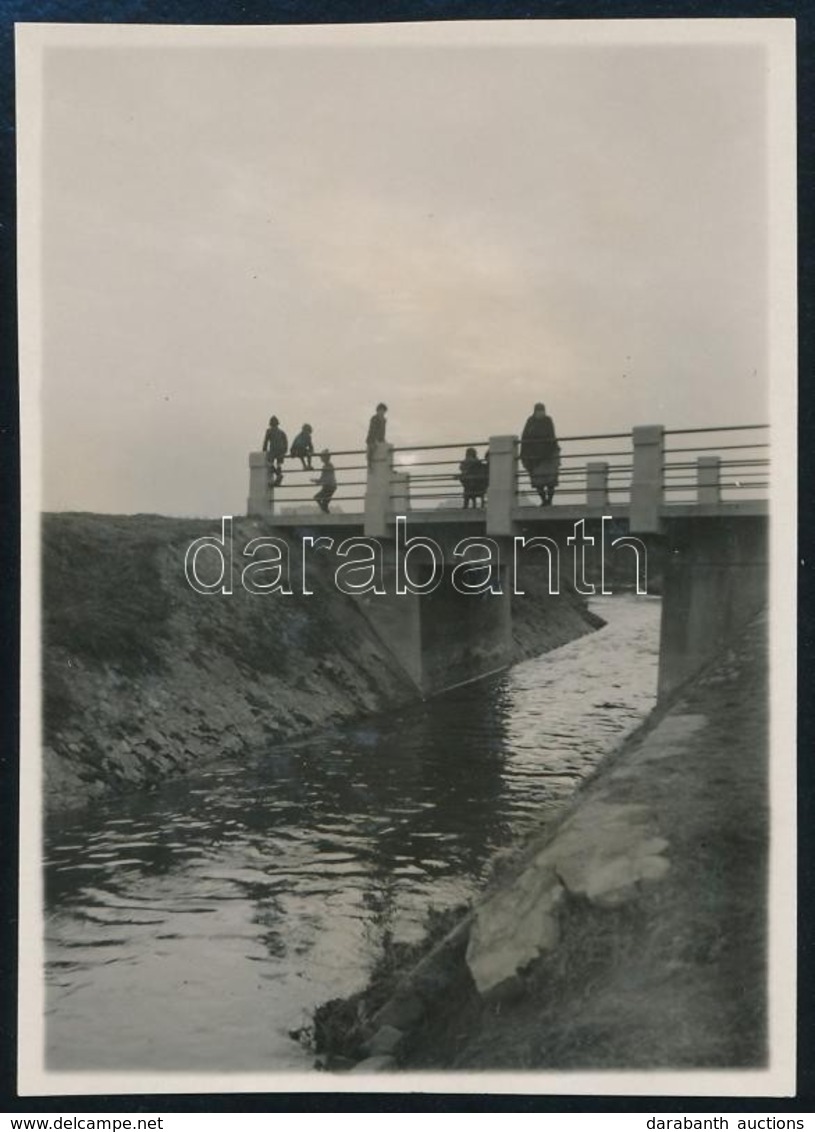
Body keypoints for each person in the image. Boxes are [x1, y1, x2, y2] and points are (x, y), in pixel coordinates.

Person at [520, 402, 560, 505]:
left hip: (548, 454)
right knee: (538, 481)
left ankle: (549, 500)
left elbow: (551, 435)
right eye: (539, 410)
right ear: (535, 411)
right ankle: (543, 500)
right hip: (534, 457)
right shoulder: (530, 421)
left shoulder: (548, 420)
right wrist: (524, 454)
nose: (541, 413)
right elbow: (525, 437)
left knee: (551, 480)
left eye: (542, 410)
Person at [262, 415, 289, 486]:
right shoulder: (281, 432)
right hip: (281, 450)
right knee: (279, 465)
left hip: (273, 450)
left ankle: (278, 475)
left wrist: (264, 450)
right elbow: (285, 441)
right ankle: (278, 476)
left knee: (270, 463)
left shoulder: (269, 431)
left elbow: (266, 441)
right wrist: (285, 450)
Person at [313, 449, 337, 513]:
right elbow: (323, 478)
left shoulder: (328, 466)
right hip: (329, 487)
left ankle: (325, 512)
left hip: (329, 487)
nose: (321, 458)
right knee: (323, 503)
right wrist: (317, 481)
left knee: (318, 498)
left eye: (322, 457)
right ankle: (325, 512)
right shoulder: (326, 466)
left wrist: (318, 481)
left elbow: (325, 478)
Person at [366, 402, 388, 467]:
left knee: (385, 449)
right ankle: (370, 464)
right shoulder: (374, 418)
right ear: (378, 410)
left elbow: (383, 431)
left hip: (380, 439)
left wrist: (383, 440)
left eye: (383, 411)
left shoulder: (384, 420)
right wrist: (375, 440)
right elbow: (372, 430)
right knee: (372, 448)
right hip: (372, 439)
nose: (382, 412)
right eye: (381, 410)